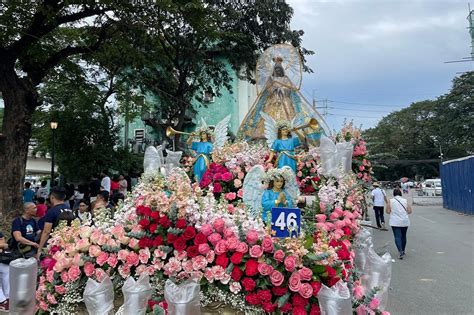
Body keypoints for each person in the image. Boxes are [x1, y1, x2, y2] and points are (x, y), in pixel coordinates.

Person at [36, 186, 74, 259]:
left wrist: (40, 249)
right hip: (67, 243)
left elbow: (46, 232)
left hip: (54, 245)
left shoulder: (52, 211)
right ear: (64, 196)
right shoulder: (69, 209)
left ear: (52, 197)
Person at [386, 188, 412, 259]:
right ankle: (403, 250)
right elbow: (409, 211)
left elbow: (388, 211)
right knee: (403, 236)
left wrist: (393, 211)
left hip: (395, 221)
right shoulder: (405, 200)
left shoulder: (390, 201)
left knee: (397, 236)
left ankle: (400, 251)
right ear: (400, 193)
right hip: (404, 221)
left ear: (394, 194)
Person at [0, 232, 9, 311]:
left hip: (2, 258)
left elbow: (4, 244)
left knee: (6, 277)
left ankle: (5, 300)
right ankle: (3, 301)